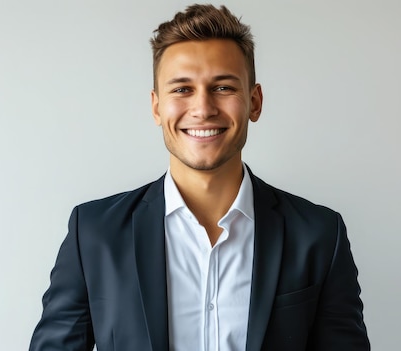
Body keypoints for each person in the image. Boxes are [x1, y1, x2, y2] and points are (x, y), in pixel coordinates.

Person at [29, 4, 369, 351]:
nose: (203, 108)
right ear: (157, 107)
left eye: (222, 87)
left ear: (254, 102)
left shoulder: (319, 234)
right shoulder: (94, 233)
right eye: (182, 89)